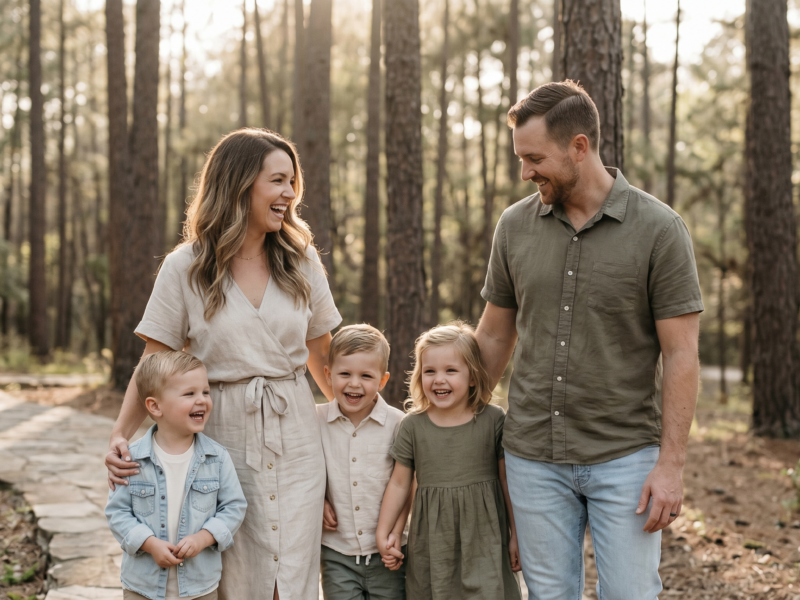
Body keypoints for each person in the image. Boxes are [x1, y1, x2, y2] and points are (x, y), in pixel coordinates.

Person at [476, 80, 704, 599]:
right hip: (532, 456)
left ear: (579, 146)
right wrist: (458, 416)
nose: (525, 172)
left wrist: (671, 465)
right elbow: (493, 334)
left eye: (535, 158)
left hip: (624, 457)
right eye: (520, 158)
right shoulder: (514, 226)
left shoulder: (660, 229)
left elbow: (681, 353)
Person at [105, 129, 342, 600]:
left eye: (292, 182)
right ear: (240, 183)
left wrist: (359, 425)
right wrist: (120, 435)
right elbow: (154, 360)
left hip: (296, 435)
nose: (290, 193)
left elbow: (323, 356)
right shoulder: (185, 266)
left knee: (291, 574)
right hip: (221, 438)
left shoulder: (302, 260)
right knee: (233, 573)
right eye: (277, 180)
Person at [376, 322, 522, 600]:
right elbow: (399, 484)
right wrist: (384, 532)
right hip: (433, 543)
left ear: (472, 377)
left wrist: (517, 534)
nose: (438, 380)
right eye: (429, 371)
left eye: (450, 370)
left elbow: (507, 481)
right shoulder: (412, 426)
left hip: (486, 540)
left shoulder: (493, 420)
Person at [105, 350, 247, 600]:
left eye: (205, 392)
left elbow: (234, 506)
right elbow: (117, 512)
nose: (202, 400)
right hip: (143, 587)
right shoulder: (131, 460)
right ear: (155, 406)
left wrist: (204, 538)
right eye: (189, 394)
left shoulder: (217, 458)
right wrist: (150, 544)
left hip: (200, 587)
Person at [316, 324, 410, 600]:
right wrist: (318, 500)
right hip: (337, 553)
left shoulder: (398, 424)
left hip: (388, 553)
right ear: (328, 374)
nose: (354, 384)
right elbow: (304, 469)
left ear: (382, 380)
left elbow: (406, 485)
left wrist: (396, 533)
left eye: (366, 376)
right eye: (345, 374)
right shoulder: (316, 420)